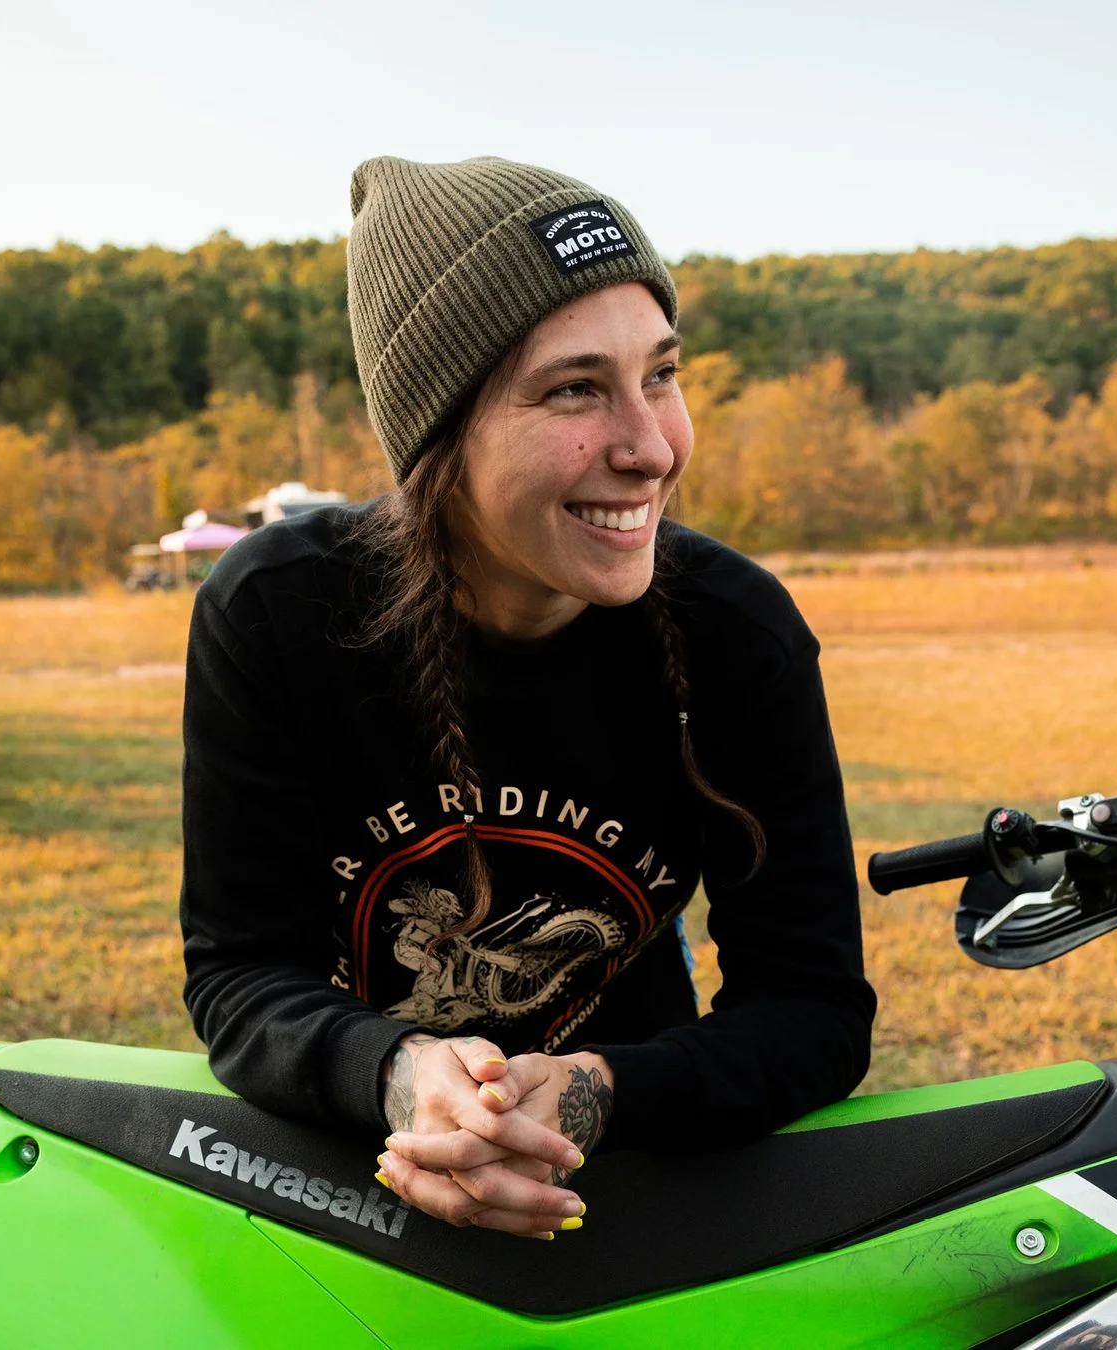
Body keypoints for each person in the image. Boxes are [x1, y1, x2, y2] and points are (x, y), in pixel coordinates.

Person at [179, 154, 875, 1241]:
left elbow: (813, 1008)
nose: (652, 448)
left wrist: (596, 1092)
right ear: (440, 432)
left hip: (627, 1188)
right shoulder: (279, 614)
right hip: (348, 1195)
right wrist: (402, 1077)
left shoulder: (737, 634)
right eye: (574, 388)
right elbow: (242, 977)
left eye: (662, 373)